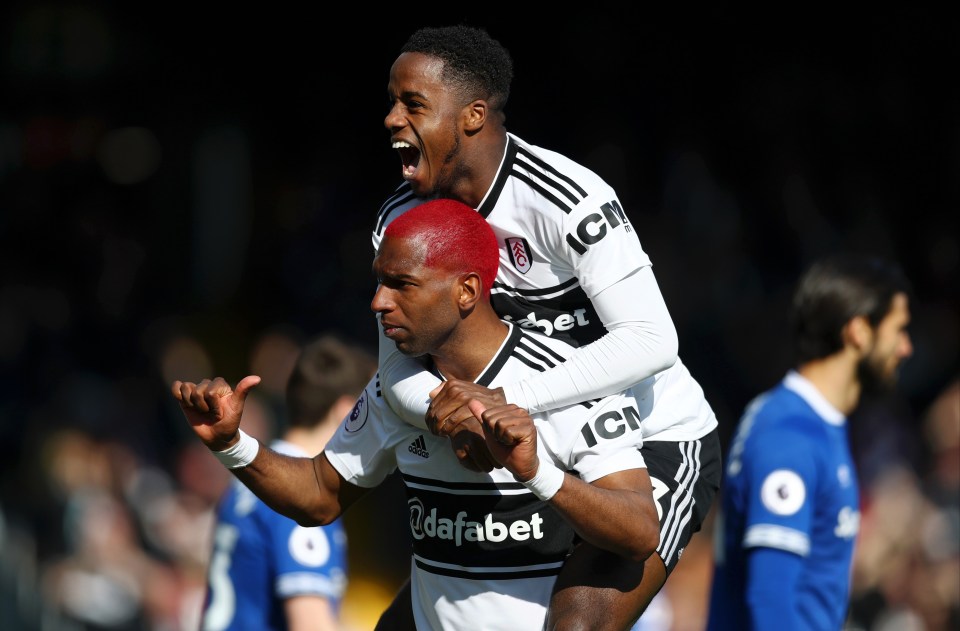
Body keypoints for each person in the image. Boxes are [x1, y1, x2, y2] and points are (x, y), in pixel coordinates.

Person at [172, 199, 662, 631]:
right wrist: (231, 443)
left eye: (401, 284)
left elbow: (640, 533)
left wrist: (537, 474)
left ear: (466, 291)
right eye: (379, 282)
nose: (378, 302)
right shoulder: (397, 386)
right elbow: (320, 493)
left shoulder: (571, 377)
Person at [373, 24, 721, 628]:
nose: (391, 119)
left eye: (413, 104)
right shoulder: (401, 221)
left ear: (473, 115)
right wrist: (447, 410)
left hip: (654, 440)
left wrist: (501, 402)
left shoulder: (566, 198)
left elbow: (653, 339)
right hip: (530, 442)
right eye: (392, 101)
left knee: (576, 623)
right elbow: (394, 368)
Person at [705, 254, 914, 631]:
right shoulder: (790, 436)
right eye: (898, 330)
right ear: (859, 332)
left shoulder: (810, 422)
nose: (905, 348)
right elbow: (770, 602)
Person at [200, 334, 376, 631]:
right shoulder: (301, 499)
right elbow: (311, 624)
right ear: (348, 412)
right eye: (379, 412)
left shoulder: (251, 481)